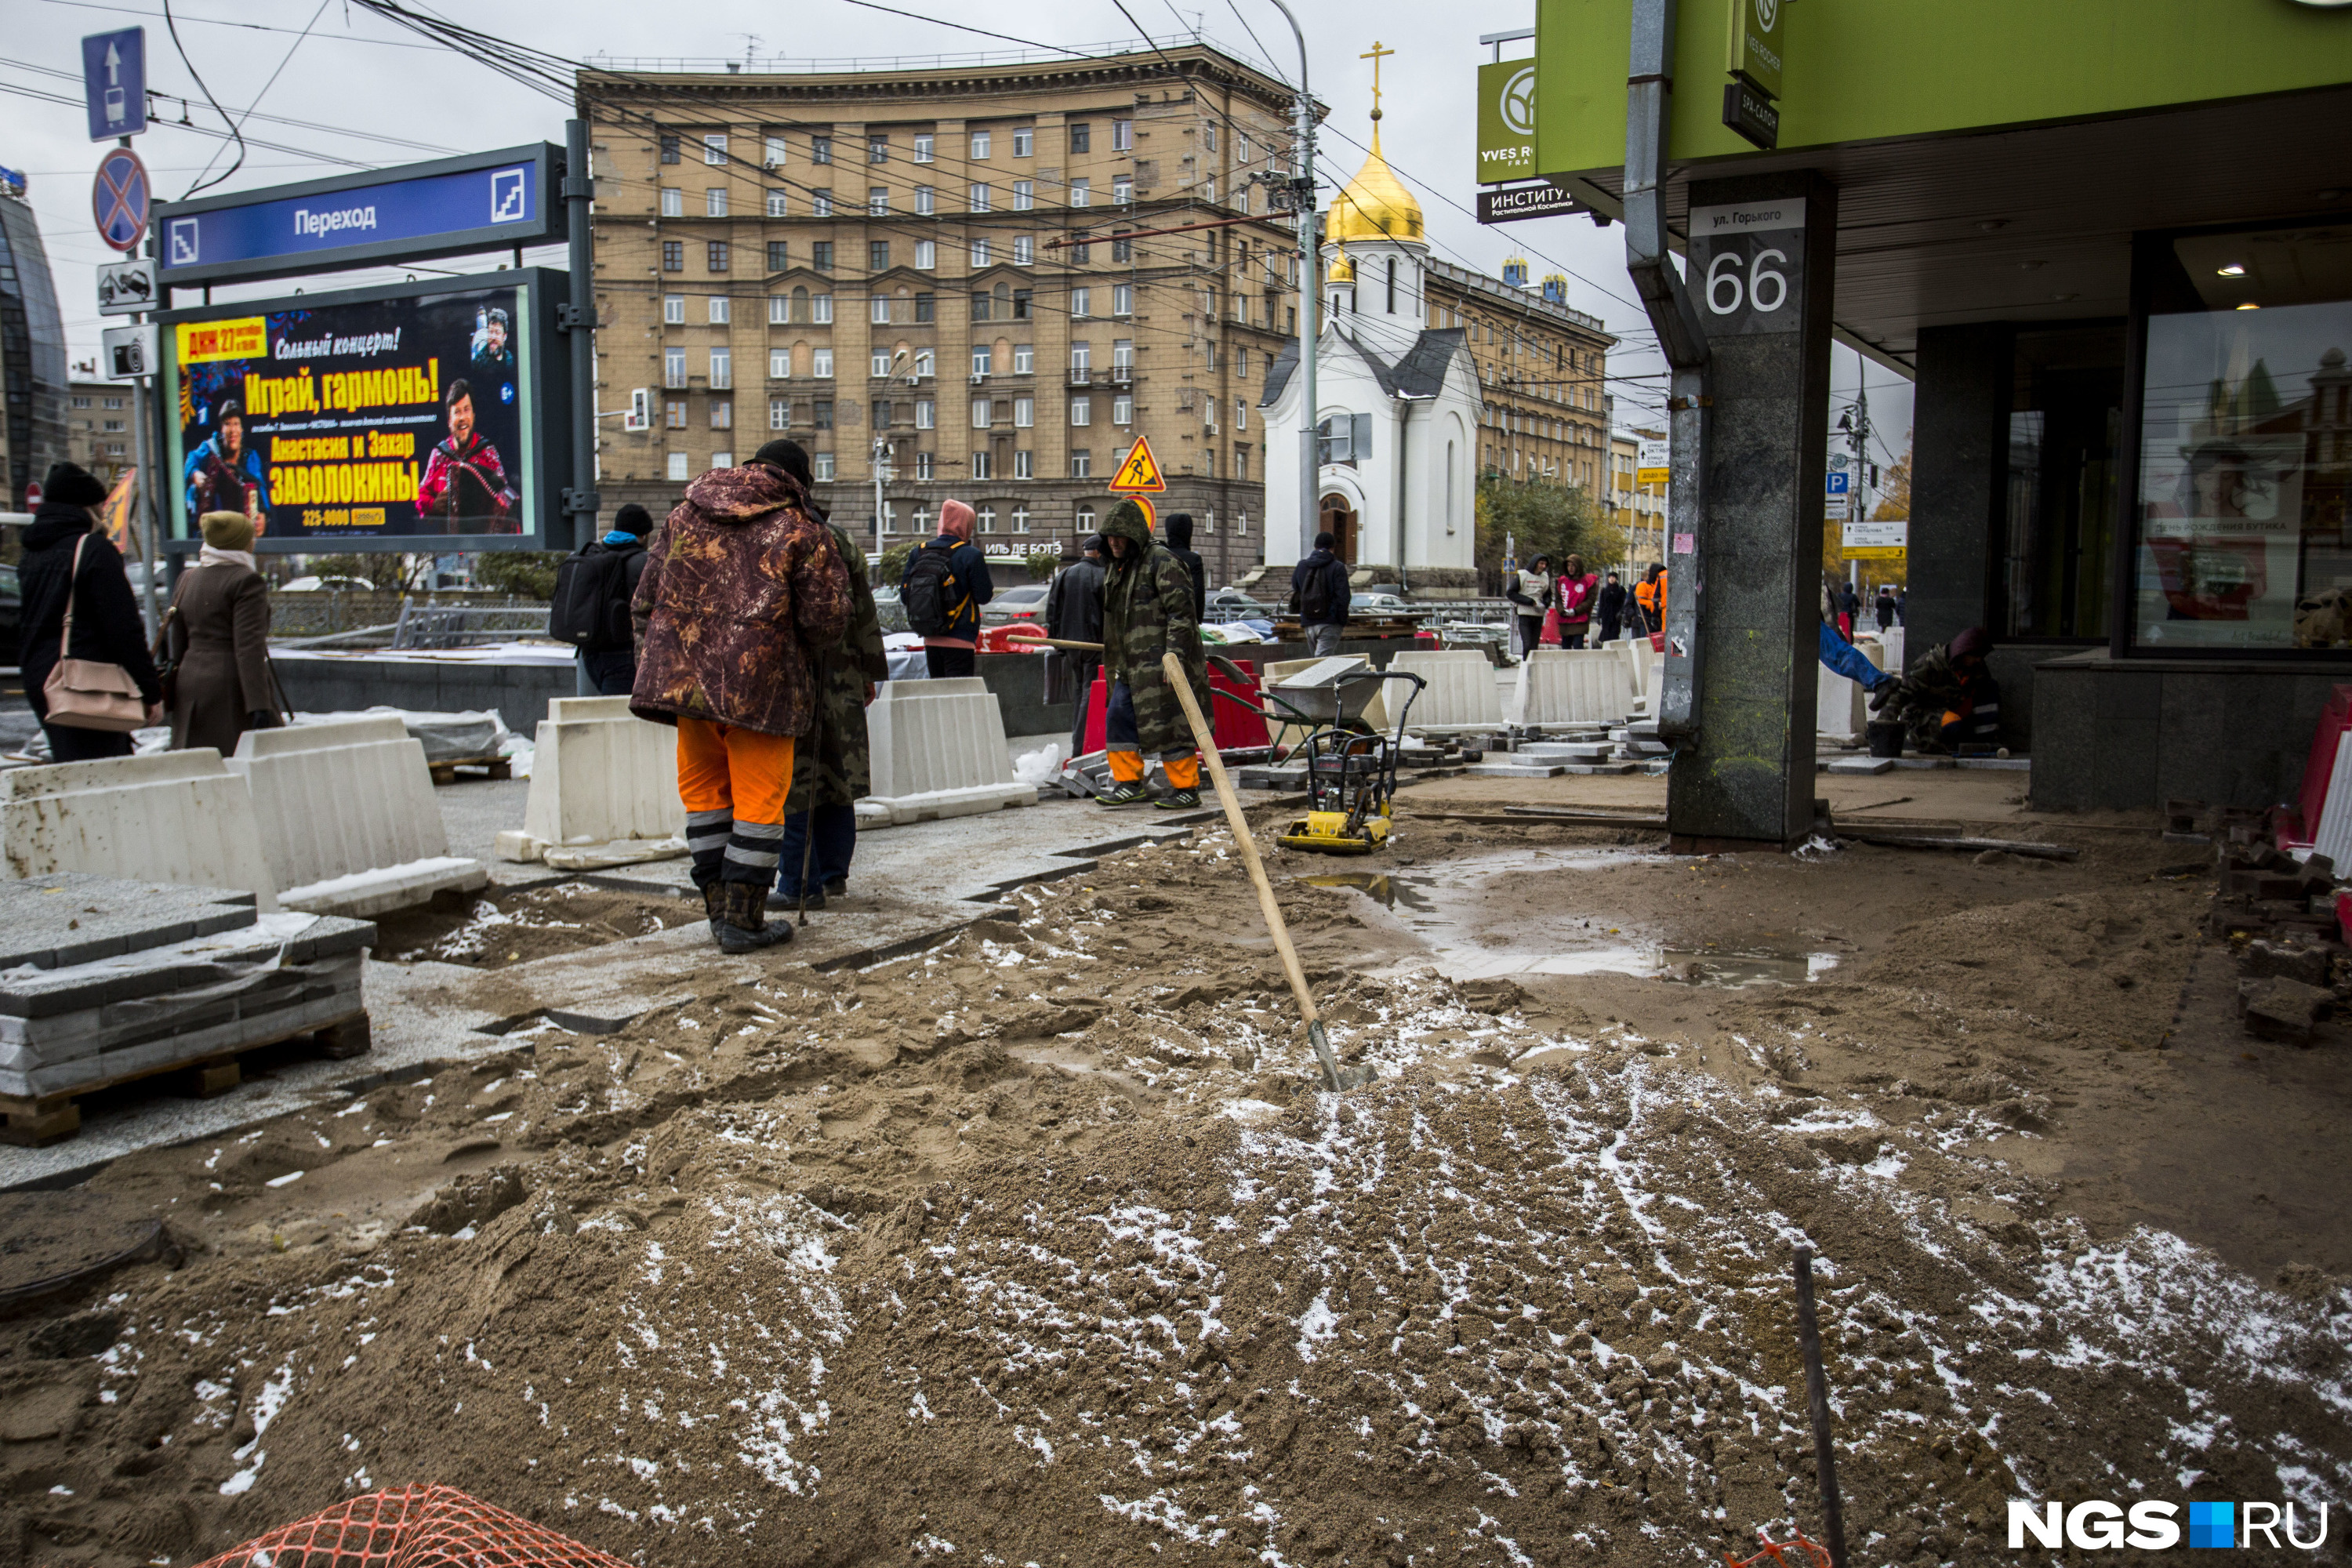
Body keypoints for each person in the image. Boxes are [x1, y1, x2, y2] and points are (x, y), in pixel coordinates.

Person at [631, 447, 851, 953]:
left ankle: (718, 913)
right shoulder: (801, 529)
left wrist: (669, 657)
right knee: (758, 808)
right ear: (799, 480)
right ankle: (743, 921)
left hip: (686, 687)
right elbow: (825, 622)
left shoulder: (684, 515)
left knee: (705, 800)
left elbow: (644, 601)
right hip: (762, 693)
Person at [758, 441, 890, 913]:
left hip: (792, 678)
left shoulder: (776, 535)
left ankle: (797, 883)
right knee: (838, 776)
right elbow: (865, 615)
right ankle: (833, 875)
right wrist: (871, 673)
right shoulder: (839, 537)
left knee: (797, 779)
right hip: (843, 679)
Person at [20, 463, 162, 763]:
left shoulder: (33, 552)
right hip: (86, 683)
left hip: (43, 680)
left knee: (71, 768)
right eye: (99, 504)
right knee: (105, 777)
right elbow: (123, 629)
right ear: (87, 507)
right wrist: (151, 691)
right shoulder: (93, 549)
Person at [1098, 499, 1209, 808]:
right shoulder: (1119, 567)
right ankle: (1129, 782)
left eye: (1121, 536)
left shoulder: (1162, 561)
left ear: (1134, 534)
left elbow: (1182, 615)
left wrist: (1173, 658)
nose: (1115, 542)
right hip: (1130, 665)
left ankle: (1186, 788)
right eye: (1110, 536)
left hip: (1162, 664)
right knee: (1118, 717)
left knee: (1170, 724)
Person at [165, 510, 277, 757]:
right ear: (241, 543)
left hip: (190, 682)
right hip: (229, 686)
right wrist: (259, 706)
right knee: (240, 764)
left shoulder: (188, 578)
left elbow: (178, 639)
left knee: (196, 762)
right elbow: (248, 648)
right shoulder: (246, 581)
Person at [903, 499, 993, 677]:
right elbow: (983, 596)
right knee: (958, 697)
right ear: (967, 524)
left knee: (939, 697)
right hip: (961, 638)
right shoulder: (971, 555)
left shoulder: (919, 552)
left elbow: (905, 596)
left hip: (929, 637)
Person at [1875, 626, 2002, 753]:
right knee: (1954, 726)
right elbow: (1901, 694)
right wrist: (1883, 725)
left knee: (1989, 686)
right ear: (1963, 652)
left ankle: (1985, 741)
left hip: (1956, 711)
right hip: (1927, 717)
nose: (1979, 660)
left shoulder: (1976, 667)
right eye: (1975, 656)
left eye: (1981, 656)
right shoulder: (1929, 665)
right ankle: (1935, 741)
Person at [570, 503, 653, 696]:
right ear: (643, 536)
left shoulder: (593, 556)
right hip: (623, 654)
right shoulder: (644, 563)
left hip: (589, 655)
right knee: (623, 716)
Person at [414, 379, 517, 533]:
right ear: (449, 420)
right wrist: (433, 505)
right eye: (457, 412)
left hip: (482, 544)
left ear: (474, 415)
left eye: (466, 410)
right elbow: (421, 496)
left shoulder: (488, 452)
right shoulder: (439, 454)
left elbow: (505, 499)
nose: (462, 418)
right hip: (447, 544)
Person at [1043, 532, 1108, 761]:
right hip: (1094, 643)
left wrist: (1056, 642)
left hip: (1069, 644)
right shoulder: (1103, 575)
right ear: (1099, 553)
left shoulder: (1065, 574)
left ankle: (1077, 743)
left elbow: (1052, 611)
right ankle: (1081, 748)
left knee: (1080, 690)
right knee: (1088, 692)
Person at [183, 397, 268, 528]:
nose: (232, 430)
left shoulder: (251, 457)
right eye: (227, 424)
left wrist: (263, 516)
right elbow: (191, 460)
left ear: (241, 430)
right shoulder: (210, 448)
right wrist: (196, 475)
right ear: (221, 429)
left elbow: (260, 489)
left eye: (236, 424)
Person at [1289, 530, 1352, 657]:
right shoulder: (1337, 567)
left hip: (1308, 621)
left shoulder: (1302, 566)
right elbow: (1343, 597)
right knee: (1321, 663)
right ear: (1333, 548)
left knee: (1317, 662)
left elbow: (1296, 587)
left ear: (1315, 547)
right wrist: (1340, 620)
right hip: (1330, 622)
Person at [1163, 511, 1207, 622]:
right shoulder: (1193, 559)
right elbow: (1198, 591)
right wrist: (1197, 620)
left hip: (1160, 619)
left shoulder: (1159, 555)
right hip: (1184, 619)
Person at [1505, 554, 1552, 659]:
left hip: (1538, 614)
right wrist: (1530, 602)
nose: (1543, 566)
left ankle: (1531, 667)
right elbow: (1511, 593)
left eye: (1545, 564)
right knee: (1527, 644)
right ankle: (1525, 665)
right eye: (1541, 563)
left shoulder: (1545, 577)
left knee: (1534, 646)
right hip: (1524, 613)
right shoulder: (1523, 575)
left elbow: (1548, 594)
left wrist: (1545, 603)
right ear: (1535, 563)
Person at [1555, 553, 1598, 649]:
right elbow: (1558, 599)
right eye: (1568, 565)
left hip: (1580, 620)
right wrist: (1561, 610)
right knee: (1565, 647)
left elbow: (1591, 600)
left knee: (1578, 646)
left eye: (1573, 565)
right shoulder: (1562, 581)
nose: (1570, 568)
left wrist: (1576, 610)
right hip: (1565, 620)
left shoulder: (1588, 581)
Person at [1595, 570, 1627, 645]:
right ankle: (1605, 647)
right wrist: (1598, 616)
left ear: (1616, 579)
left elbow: (1624, 603)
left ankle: (1614, 647)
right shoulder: (1605, 590)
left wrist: (1621, 612)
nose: (1611, 579)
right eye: (1610, 577)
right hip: (1606, 615)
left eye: (1613, 577)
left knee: (1614, 633)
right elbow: (1602, 604)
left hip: (1616, 615)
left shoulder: (1621, 590)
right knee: (1606, 632)